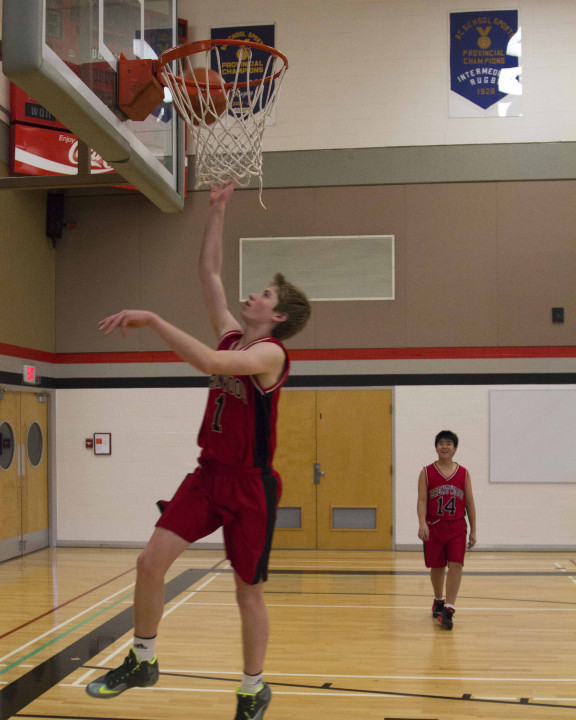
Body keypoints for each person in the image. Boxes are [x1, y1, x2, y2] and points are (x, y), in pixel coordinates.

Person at [86, 182, 311, 720]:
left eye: (264, 296)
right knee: (149, 563)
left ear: (276, 317)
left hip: (250, 485)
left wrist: (156, 321)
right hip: (208, 476)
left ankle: (253, 686)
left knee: (246, 595)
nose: (253, 295)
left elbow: (210, 366)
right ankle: (143, 659)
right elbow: (209, 274)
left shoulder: (270, 356)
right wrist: (217, 211)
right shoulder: (234, 336)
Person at [417, 430, 477, 631]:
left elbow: (469, 502)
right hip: (434, 526)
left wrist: (474, 530)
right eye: (441, 443)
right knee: (437, 567)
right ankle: (439, 599)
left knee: (456, 565)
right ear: (436, 447)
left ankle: (449, 609)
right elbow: (422, 500)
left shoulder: (464, 473)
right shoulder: (426, 472)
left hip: (457, 526)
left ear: (455, 449)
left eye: (449, 443)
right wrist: (422, 523)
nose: (445, 446)